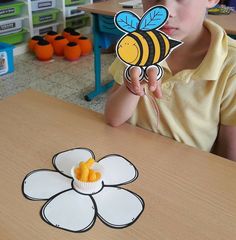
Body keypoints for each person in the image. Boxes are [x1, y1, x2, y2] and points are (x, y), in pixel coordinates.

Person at [104, 0, 236, 161]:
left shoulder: (231, 65)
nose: (165, 10)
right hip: (128, 159)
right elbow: (113, 118)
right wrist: (131, 87)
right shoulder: (135, 46)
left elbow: (229, 161)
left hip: (185, 176)